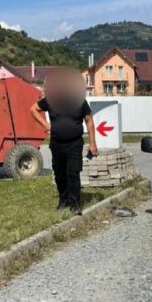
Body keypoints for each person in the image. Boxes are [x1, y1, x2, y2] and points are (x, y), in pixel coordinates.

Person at [30, 72, 98, 215]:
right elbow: (33, 109)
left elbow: (89, 122)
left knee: (73, 173)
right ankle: (63, 199)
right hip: (56, 143)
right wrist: (45, 124)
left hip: (75, 143)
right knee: (59, 174)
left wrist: (93, 144)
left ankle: (74, 203)